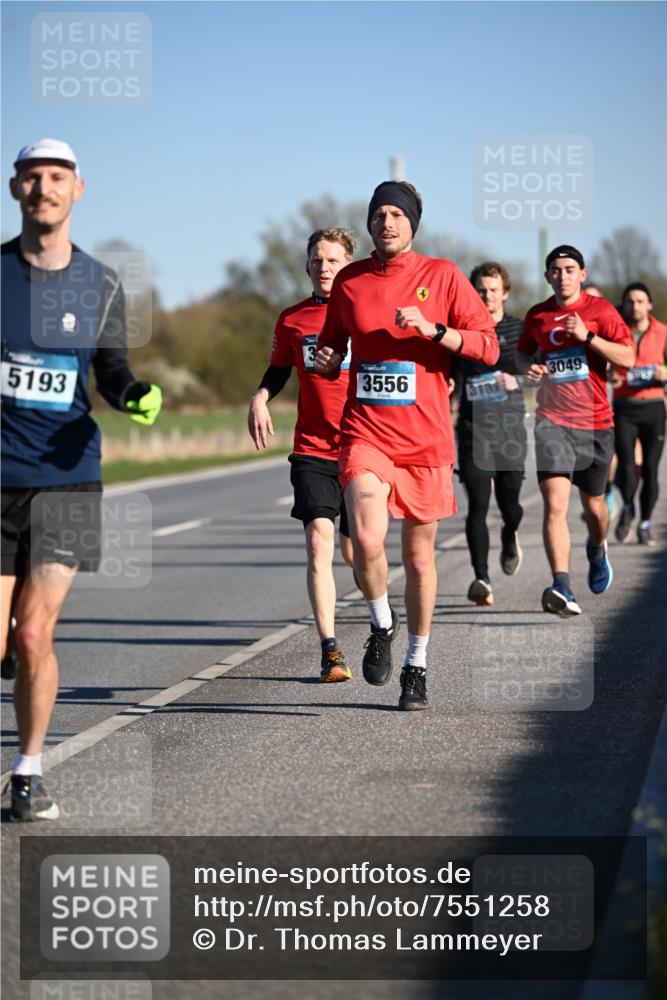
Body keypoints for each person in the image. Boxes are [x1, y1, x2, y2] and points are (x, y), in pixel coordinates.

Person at [1, 139, 163, 821]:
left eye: (57, 177)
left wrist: (131, 394)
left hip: (68, 479)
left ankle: (28, 772)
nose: (45, 188)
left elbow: (111, 368)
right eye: (32, 177)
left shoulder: (99, 281)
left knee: (35, 637)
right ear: (16, 190)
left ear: (78, 189)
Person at [315, 180, 498, 710]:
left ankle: (416, 665)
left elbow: (486, 346)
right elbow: (331, 346)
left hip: (425, 439)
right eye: (379, 215)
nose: (387, 223)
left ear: (412, 223)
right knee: (368, 539)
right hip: (366, 432)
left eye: (397, 214)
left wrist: (436, 331)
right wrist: (327, 361)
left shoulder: (441, 276)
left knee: (419, 561)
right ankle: (381, 622)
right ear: (369, 223)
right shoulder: (350, 281)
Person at [248, 228, 356, 682]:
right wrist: (259, 397)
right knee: (318, 542)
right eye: (317, 260)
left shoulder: (365, 312)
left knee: (359, 551)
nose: (325, 267)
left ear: (348, 265)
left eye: (333, 260)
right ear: (307, 266)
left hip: (362, 445)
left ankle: (380, 619)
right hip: (312, 448)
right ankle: (330, 649)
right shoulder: (292, 320)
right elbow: (278, 370)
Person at [516, 245, 634, 616]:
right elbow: (522, 353)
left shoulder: (601, 311)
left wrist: (588, 337)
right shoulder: (537, 316)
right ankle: (562, 584)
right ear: (548, 275)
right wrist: (529, 368)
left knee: (595, 507)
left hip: (597, 424)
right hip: (552, 422)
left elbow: (627, 357)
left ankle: (597, 549)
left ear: (582, 274)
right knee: (555, 505)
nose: (562, 275)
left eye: (570, 269)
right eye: (555, 270)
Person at [454, 262, 527, 607]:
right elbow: (449, 374)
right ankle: (481, 578)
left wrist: (520, 380)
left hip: (510, 429)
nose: (486, 296)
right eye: (480, 290)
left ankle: (510, 533)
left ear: (505, 293)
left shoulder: (519, 330)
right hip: (473, 429)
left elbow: (539, 371)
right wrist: (450, 392)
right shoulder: (461, 331)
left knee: (510, 506)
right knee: (477, 506)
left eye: (492, 290)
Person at [612, 282, 667, 546]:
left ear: (649, 305)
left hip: (653, 408)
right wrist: (610, 376)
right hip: (625, 408)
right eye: (630, 301)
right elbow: (607, 365)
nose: (635, 306)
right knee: (625, 469)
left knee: (650, 470)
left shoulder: (663, 332)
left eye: (640, 301)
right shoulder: (616, 332)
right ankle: (628, 507)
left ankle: (645, 523)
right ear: (624, 305)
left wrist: (664, 374)